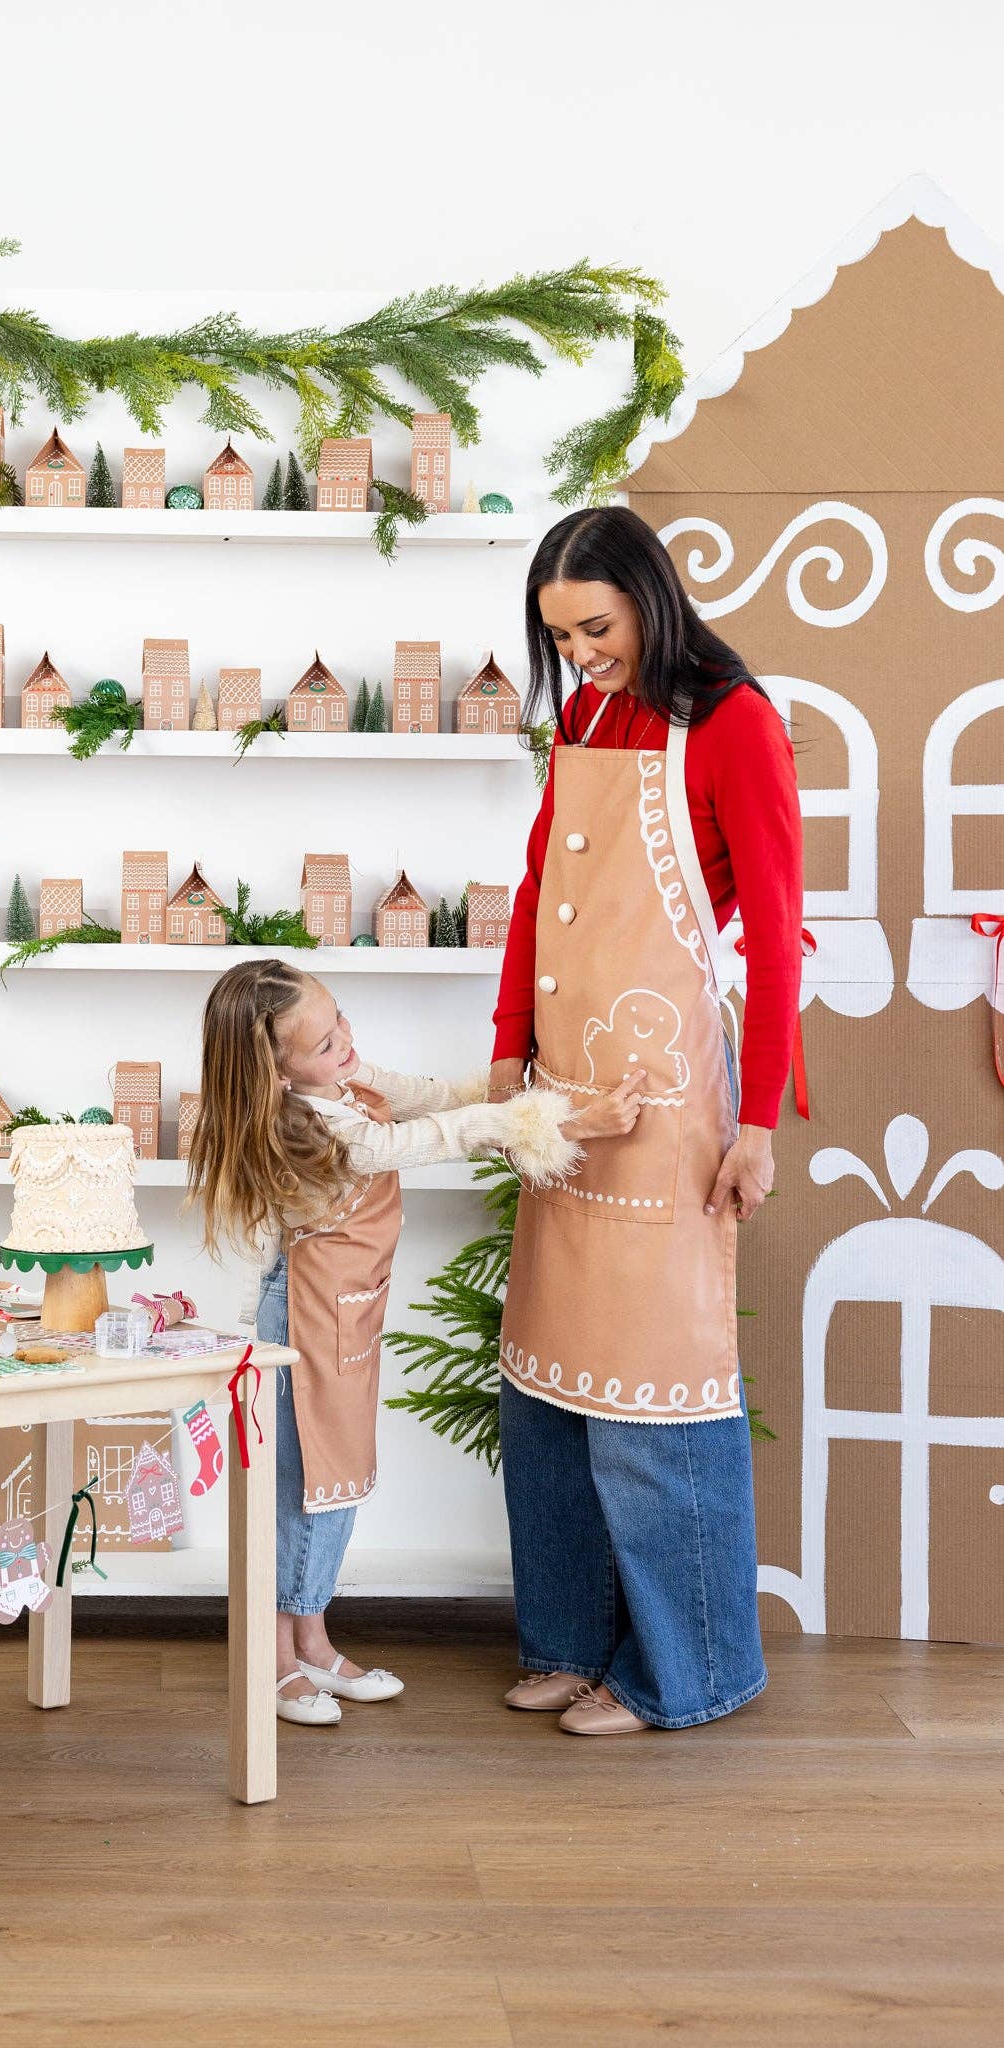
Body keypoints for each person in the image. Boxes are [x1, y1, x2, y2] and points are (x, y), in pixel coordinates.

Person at [491, 504, 803, 1736]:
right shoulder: (584, 716)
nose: (581, 653)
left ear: (650, 596)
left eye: (598, 626)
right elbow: (539, 888)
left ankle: (695, 1665)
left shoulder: (735, 722)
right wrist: (511, 1044)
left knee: (655, 1381)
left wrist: (758, 1123)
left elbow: (773, 937)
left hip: (670, 1095)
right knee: (552, 1384)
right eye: (561, 635)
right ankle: (570, 1639)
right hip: (566, 1094)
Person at [189, 957, 644, 1726]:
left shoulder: (344, 1085)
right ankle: (269, 1662)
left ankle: (312, 1643)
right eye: (327, 1044)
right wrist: (567, 1125)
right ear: (277, 1069)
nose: (348, 1044)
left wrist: (525, 1087)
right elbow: (440, 1134)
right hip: (303, 1318)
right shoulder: (312, 1128)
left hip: (345, 1314)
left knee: (338, 1483)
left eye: (341, 1023)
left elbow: (437, 1097)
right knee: (301, 1492)